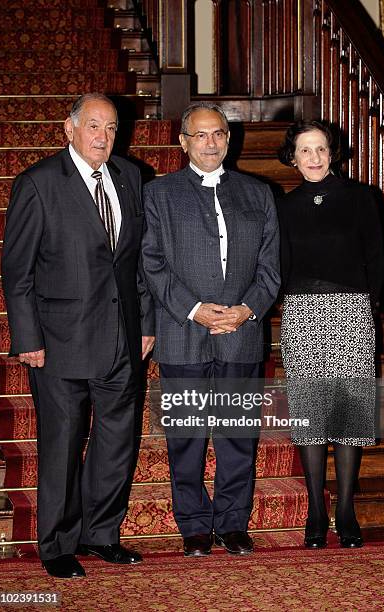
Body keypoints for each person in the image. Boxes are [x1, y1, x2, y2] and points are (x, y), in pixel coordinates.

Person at [2, 93, 155, 578]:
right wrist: (28, 338)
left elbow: (137, 263)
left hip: (122, 337)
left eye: (111, 128)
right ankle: (58, 544)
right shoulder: (39, 184)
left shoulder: (131, 177)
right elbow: (17, 271)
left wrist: (146, 323)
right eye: (93, 126)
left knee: (117, 441)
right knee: (62, 444)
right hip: (59, 342)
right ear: (69, 130)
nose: (103, 137)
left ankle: (101, 534)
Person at [141, 102, 280, 557]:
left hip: (242, 331)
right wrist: (196, 309)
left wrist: (247, 310)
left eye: (218, 133)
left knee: (238, 433)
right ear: (182, 142)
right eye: (199, 135)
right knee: (187, 435)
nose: (210, 143)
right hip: (183, 333)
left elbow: (270, 268)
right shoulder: (158, 194)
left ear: (228, 139)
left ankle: (233, 523)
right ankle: (195, 524)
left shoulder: (258, 194)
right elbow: (152, 263)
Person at [277, 120, 384, 549]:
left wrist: (365, 309)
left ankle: (345, 510)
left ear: (332, 152)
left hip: (351, 312)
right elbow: (279, 263)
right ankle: (316, 511)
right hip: (302, 313)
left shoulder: (362, 198)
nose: (314, 158)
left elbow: (377, 257)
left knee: (349, 416)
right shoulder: (283, 205)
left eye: (320, 149)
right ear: (293, 157)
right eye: (305, 150)